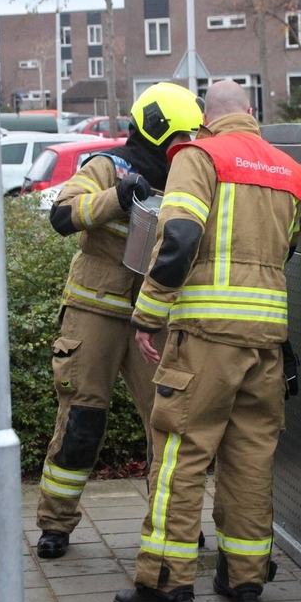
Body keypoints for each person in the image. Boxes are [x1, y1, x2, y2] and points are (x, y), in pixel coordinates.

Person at [112, 80, 301, 602]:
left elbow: (177, 240)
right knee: (251, 457)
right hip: (266, 339)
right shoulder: (289, 171)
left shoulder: (199, 157)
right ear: (250, 112)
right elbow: (284, 252)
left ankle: (165, 584)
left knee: (182, 452)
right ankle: (245, 578)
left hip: (204, 337)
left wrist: (148, 315)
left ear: (207, 118)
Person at [35, 82, 205, 560]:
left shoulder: (186, 177)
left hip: (155, 318)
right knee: (82, 419)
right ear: (156, 131)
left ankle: (172, 525)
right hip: (95, 313)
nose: (184, 148)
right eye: (180, 138)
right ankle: (55, 523)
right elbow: (64, 214)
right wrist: (118, 196)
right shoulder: (108, 166)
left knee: (168, 424)